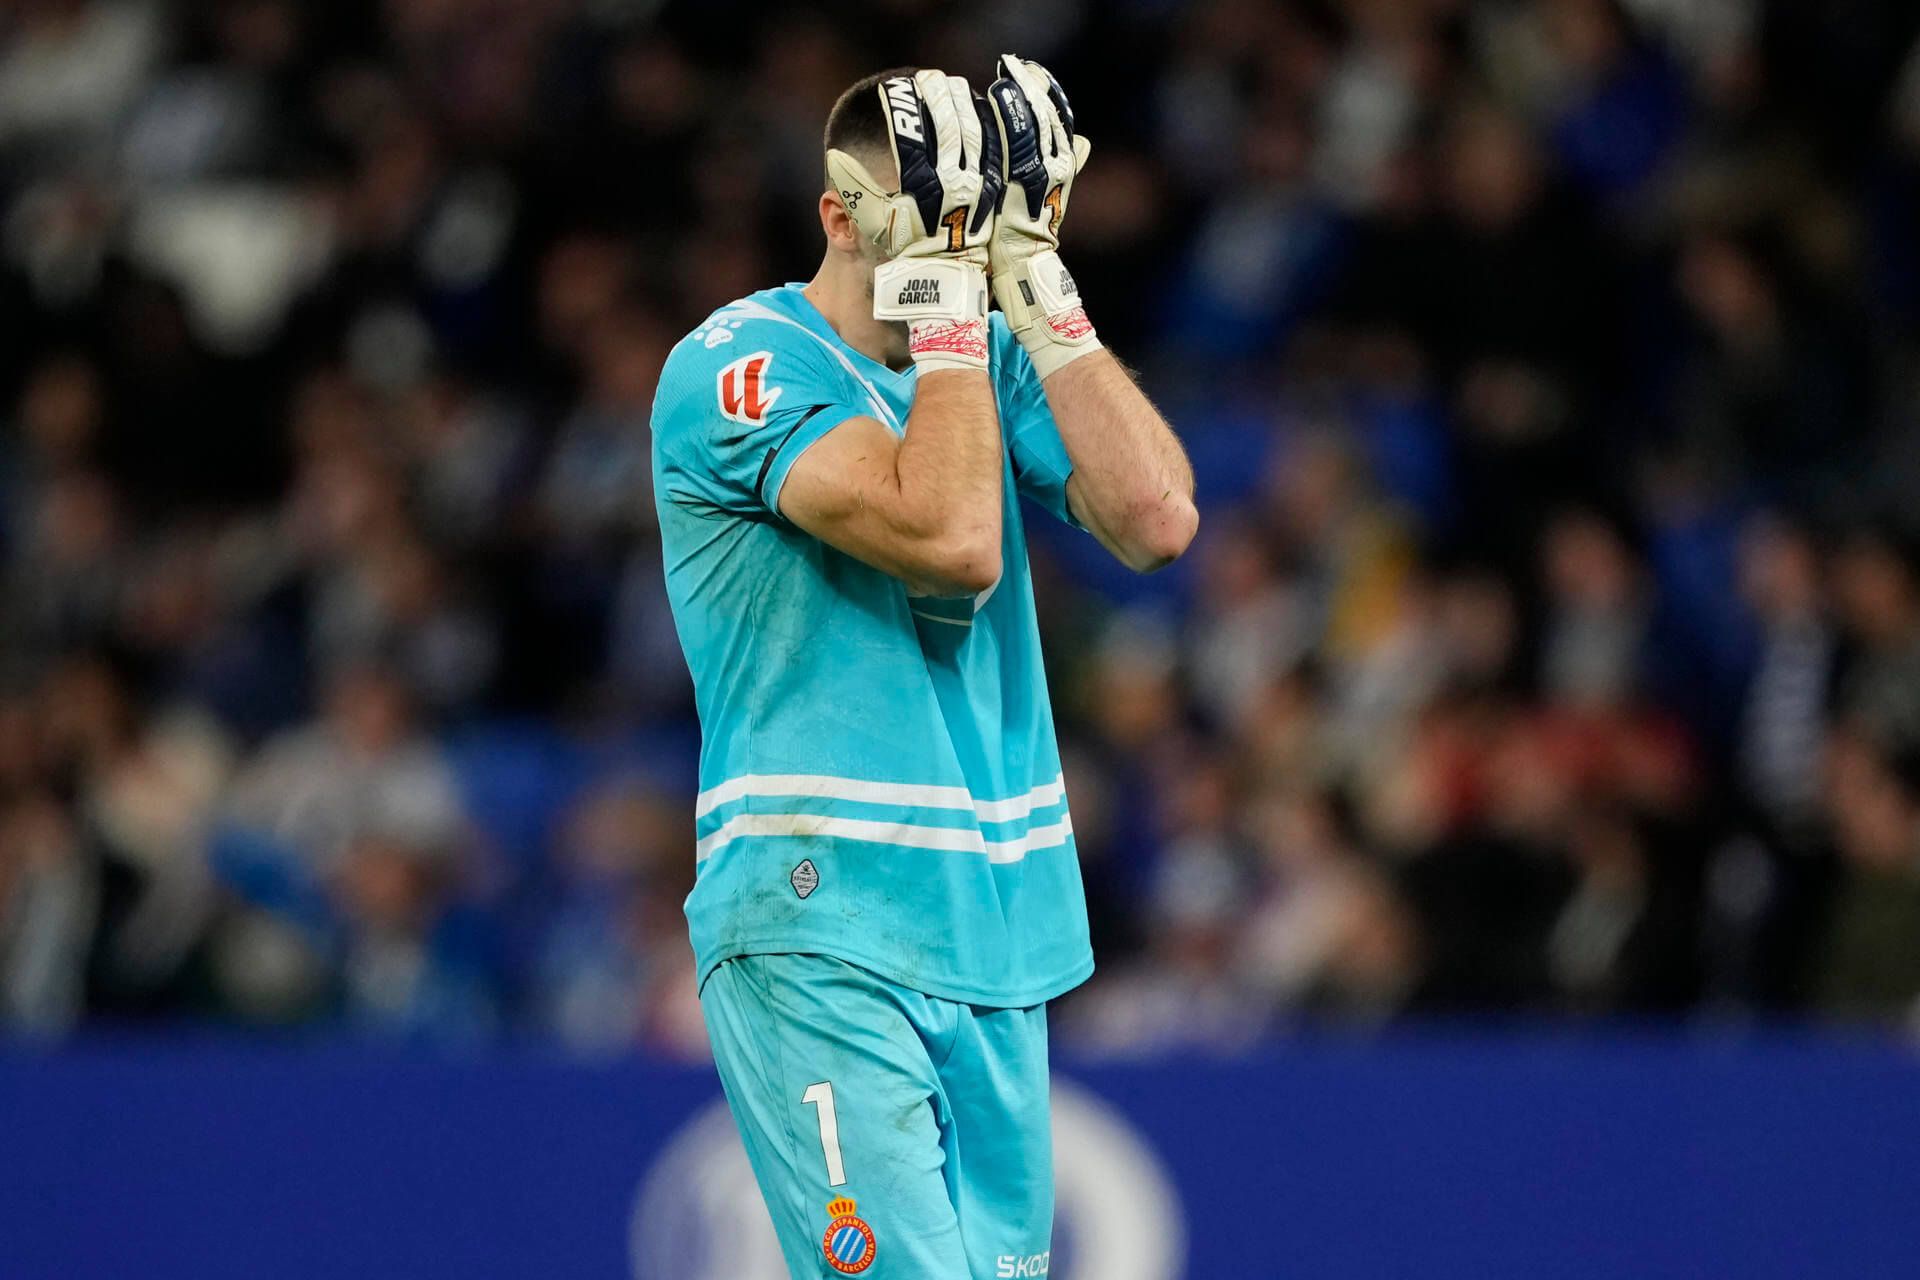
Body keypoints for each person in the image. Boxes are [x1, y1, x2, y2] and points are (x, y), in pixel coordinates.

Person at [648, 60, 1196, 1279]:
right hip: (820, 905)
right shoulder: (735, 366)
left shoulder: (982, 359)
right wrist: (954, 314)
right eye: (924, 221)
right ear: (841, 215)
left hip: (992, 919)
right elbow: (951, 539)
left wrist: (1040, 294)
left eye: (970, 223)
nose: (950, 250)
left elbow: (1157, 517)